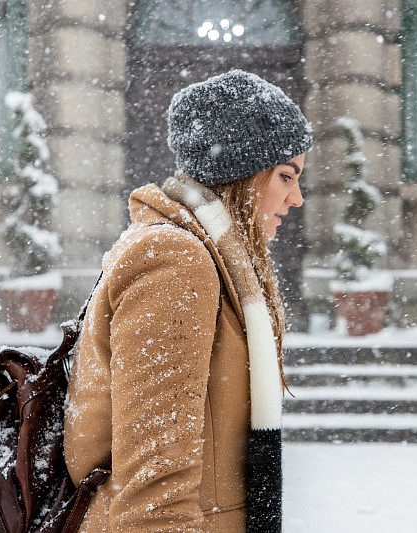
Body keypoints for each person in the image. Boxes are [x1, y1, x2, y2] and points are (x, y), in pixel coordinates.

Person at [63, 68, 313, 532]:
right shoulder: (176, 262)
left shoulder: (210, 260)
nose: (295, 197)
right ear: (242, 174)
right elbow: (153, 488)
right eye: (285, 175)